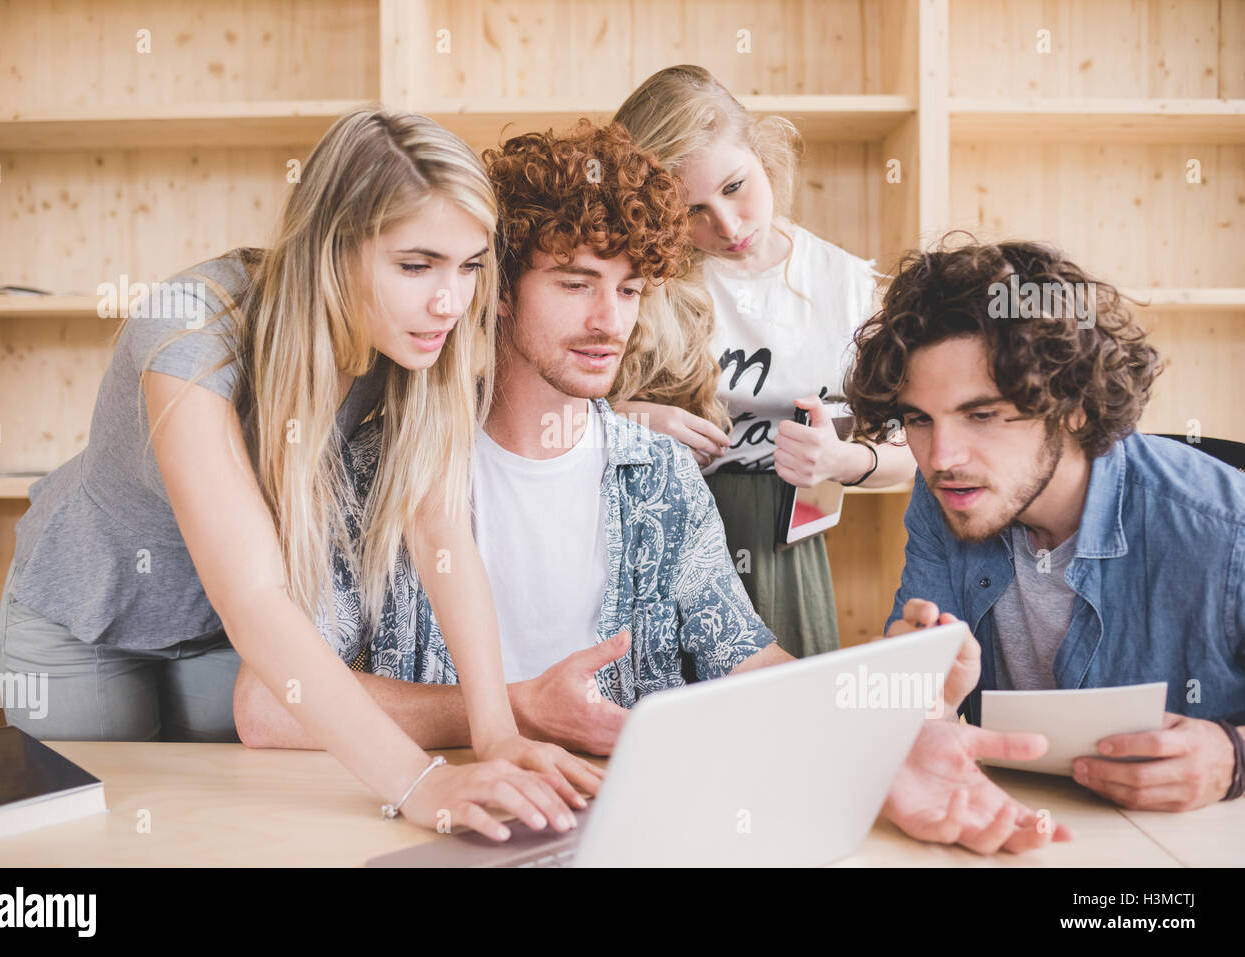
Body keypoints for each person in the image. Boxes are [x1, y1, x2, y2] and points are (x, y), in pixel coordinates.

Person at [235, 120, 1071, 855]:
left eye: (630, 288)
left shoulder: (658, 474)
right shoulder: (380, 466)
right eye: (575, 283)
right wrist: (514, 711)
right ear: (494, 292)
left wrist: (878, 712)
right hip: (447, 822)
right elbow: (271, 707)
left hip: (622, 834)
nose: (611, 321)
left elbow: (748, 662)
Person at [0, 107, 596, 842]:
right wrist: (419, 780)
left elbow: (439, 529)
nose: (450, 300)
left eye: (469, 265)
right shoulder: (191, 335)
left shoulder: (413, 339)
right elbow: (253, 593)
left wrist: (496, 731)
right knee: (96, 840)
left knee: (226, 833)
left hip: (223, 636)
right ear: (334, 248)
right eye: (416, 264)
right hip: (87, 619)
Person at [846, 234, 1245, 812]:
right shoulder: (944, 498)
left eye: (982, 415)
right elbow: (914, 698)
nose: (940, 458)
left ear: (1075, 406)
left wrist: (1233, 756)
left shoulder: (1223, 524)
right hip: (1015, 825)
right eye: (919, 420)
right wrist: (916, 696)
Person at [606, 64, 916, 658]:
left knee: (791, 729)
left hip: (786, 550)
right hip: (657, 540)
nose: (726, 226)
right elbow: (550, 418)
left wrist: (839, 459)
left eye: (733, 187)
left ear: (764, 154)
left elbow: (911, 453)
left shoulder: (847, 285)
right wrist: (630, 418)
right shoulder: (641, 280)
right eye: (688, 210)